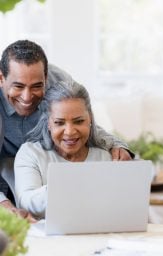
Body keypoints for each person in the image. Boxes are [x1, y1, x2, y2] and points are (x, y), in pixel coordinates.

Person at [0, 40, 132, 220]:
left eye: (37, 86)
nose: (27, 96)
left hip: (39, 164)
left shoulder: (60, 81)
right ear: (1, 78)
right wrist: (2, 202)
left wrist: (114, 144)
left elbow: (80, 119)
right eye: (18, 86)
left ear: (46, 78)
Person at [15, 81, 113, 218]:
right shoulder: (31, 153)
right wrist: (69, 185)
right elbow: (26, 203)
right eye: (59, 123)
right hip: (47, 237)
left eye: (79, 121)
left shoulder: (104, 156)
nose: (70, 132)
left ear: (90, 118)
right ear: (48, 123)